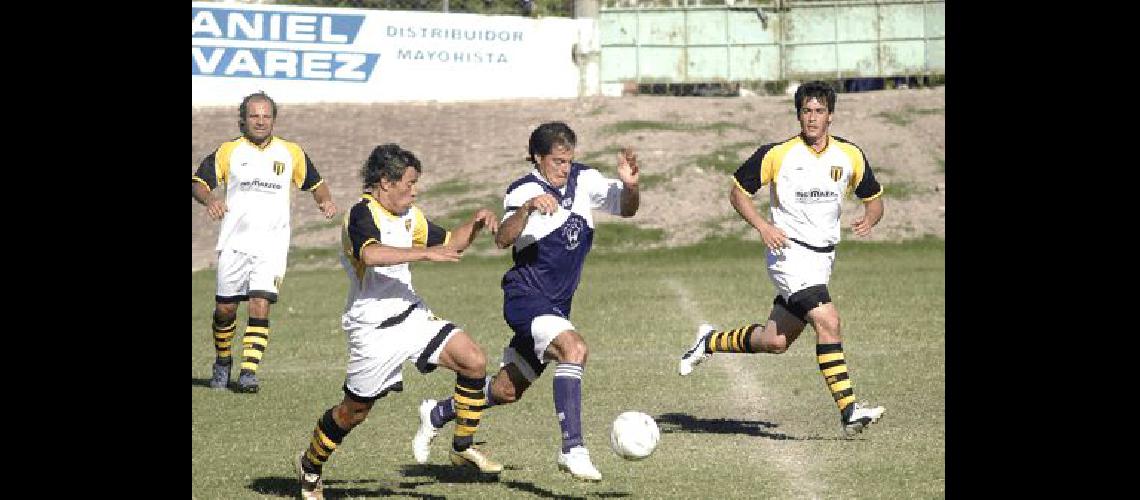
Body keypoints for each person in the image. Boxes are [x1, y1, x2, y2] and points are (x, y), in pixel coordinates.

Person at [412, 121, 640, 482]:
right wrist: (528, 209)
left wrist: (630, 185)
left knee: (506, 390)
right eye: (557, 161)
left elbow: (627, 209)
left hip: (556, 307)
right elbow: (503, 239)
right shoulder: (523, 190)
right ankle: (572, 448)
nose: (564, 169)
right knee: (574, 349)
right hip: (525, 298)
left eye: (569, 161)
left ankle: (438, 413)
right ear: (538, 157)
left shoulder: (584, 179)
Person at [676, 80, 886, 436]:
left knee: (775, 341)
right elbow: (738, 192)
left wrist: (870, 218)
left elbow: (875, 199)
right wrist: (762, 226)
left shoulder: (849, 155)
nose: (813, 118)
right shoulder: (778, 153)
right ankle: (849, 410)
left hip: (823, 260)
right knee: (829, 321)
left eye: (819, 111)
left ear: (830, 116)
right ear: (798, 114)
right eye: (806, 111)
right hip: (787, 255)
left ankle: (709, 341)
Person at [295, 144, 502, 500]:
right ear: (385, 182)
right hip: (373, 330)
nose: (415, 190)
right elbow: (370, 254)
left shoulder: (411, 215)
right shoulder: (361, 214)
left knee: (474, 360)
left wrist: (477, 221)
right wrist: (424, 253)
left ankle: (462, 448)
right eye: (409, 183)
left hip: (412, 315)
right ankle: (310, 466)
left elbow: (451, 242)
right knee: (353, 412)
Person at [192, 91, 337, 393]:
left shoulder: (291, 153)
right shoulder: (229, 151)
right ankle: (222, 361)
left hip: (272, 246)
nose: (260, 121)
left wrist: (325, 201)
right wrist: (211, 199)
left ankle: (248, 372)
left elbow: (317, 184)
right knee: (225, 311)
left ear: (273, 119)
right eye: (254, 116)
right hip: (234, 244)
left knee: (260, 304)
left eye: (266, 116)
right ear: (243, 119)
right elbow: (198, 183)